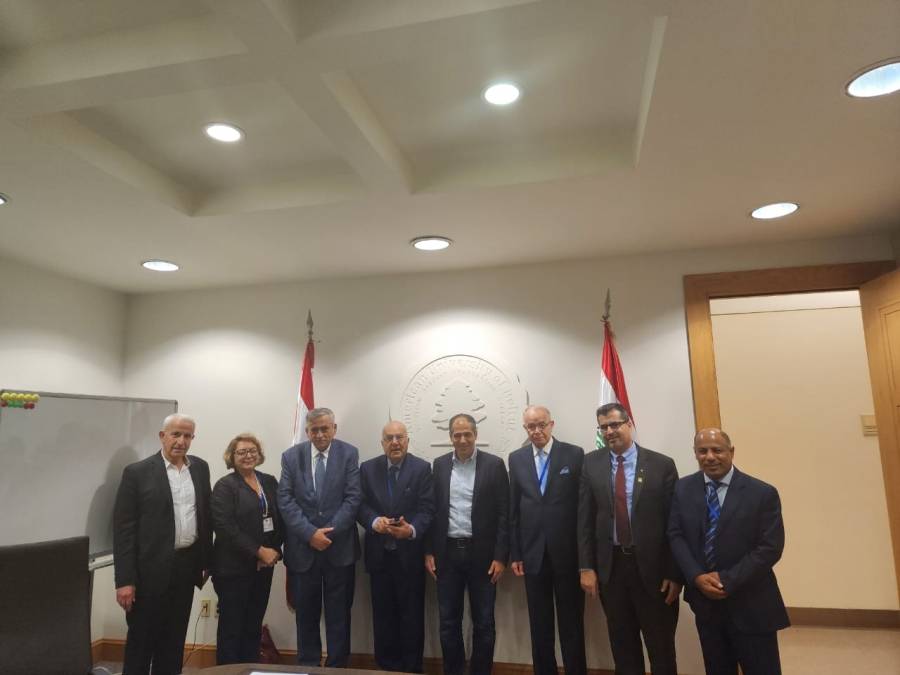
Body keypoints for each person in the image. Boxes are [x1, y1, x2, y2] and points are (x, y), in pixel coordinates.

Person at [668, 428, 789, 675]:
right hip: (706, 604)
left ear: (731, 452)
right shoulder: (683, 488)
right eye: (702, 451)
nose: (710, 457)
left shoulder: (762, 493)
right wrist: (696, 576)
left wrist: (726, 579)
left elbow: (770, 547)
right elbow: (675, 534)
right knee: (717, 668)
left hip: (752, 603)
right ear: (695, 454)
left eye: (717, 450)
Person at [578, 403, 681, 675]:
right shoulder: (590, 463)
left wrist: (674, 572)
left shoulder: (661, 465)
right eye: (604, 427)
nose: (609, 431)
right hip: (611, 570)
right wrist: (586, 567)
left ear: (629, 424)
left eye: (615, 424)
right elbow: (584, 520)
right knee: (623, 647)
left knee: (661, 647)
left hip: (654, 572)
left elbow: (675, 524)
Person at [113, 413, 212, 675]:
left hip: (186, 568)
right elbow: (124, 531)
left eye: (187, 436)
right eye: (176, 434)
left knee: (174, 642)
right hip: (148, 574)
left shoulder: (200, 468)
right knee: (141, 643)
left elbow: (205, 516)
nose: (181, 441)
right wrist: (124, 580)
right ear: (162, 436)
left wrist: (205, 561)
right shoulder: (137, 473)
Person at [426, 414, 509, 675]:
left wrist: (500, 556)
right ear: (450, 437)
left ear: (475, 435)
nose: (462, 439)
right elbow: (432, 511)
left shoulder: (494, 465)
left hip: (483, 556)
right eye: (457, 435)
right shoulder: (439, 465)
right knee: (448, 622)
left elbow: (504, 514)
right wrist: (429, 551)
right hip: (447, 554)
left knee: (484, 622)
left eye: (467, 434)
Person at [277, 407, 361, 668]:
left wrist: (328, 533)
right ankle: (308, 666)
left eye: (325, 428)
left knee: (339, 615)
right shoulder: (291, 457)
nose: (320, 434)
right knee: (306, 615)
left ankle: (338, 668)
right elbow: (285, 499)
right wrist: (310, 533)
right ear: (307, 431)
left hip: (339, 549)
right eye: (315, 430)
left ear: (334, 429)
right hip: (303, 550)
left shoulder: (349, 453)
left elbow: (353, 498)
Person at [508, 405, 586, 675]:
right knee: (539, 625)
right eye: (531, 426)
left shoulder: (574, 454)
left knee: (572, 624)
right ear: (525, 428)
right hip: (533, 555)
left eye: (541, 424)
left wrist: (585, 558)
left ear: (551, 424)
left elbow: (582, 508)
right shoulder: (516, 458)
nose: (537, 431)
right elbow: (514, 510)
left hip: (568, 555)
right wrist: (516, 553)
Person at [358, 420, 435, 672]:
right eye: (389, 438)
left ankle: (411, 669)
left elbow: (427, 509)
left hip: (409, 557)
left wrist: (411, 530)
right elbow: (360, 504)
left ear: (407, 441)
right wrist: (373, 521)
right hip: (379, 557)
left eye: (399, 437)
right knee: (383, 619)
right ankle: (386, 668)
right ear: (382, 443)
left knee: (412, 618)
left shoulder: (422, 468)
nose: (395, 443)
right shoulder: (368, 468)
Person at [211, 433, 283, 664]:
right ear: (232, 457)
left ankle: (249, 668)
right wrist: (258, 551)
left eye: (252, 451)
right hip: (233, 569)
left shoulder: (269, 481)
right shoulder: (225, 486)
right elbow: (225, 527)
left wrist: (274, 551)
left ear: (259, 454)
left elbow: (281, 519)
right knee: (232, 628)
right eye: (241, 452)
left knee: (253, 625)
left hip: (264, 567)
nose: (248, 455)